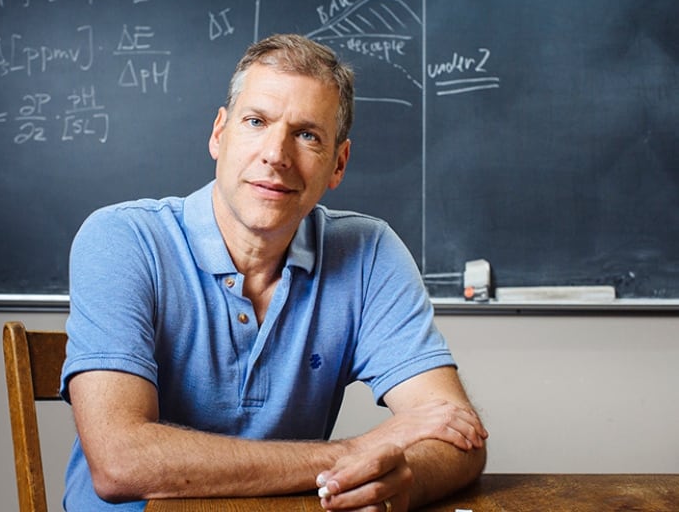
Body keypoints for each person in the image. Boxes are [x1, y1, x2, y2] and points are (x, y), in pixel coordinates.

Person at [60, 33, 488, 512]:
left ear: (338, 164)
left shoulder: (369, 252)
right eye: (256, 121)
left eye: (307, 134)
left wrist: (398, 484)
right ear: (219, 134)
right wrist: (350, 454)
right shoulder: (122, 239)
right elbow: (120, 463)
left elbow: (455, 432)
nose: (276, 154)